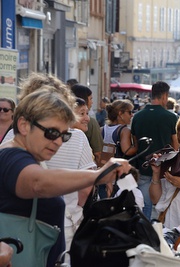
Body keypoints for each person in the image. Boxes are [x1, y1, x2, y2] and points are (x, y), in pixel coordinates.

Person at [0, 89, 131, 267]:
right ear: (24, 125)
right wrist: (97, 176)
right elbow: (37, 182)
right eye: (52, 133)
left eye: (64, 135)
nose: (59, 142)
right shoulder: (12, 156)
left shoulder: (25, 157)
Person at [45, 97, 96, 258]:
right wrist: (77, 209)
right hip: (66, 220)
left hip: (26, 221)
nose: (87, 118)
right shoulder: (78, 137)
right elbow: (87, 185)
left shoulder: (16, 134)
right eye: (82, 113)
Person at [131, 81, 179, 219]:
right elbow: (175, 146)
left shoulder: (137, 117)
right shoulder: (171, 117)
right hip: (164, 170)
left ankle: (145, 235)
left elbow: (135, 145)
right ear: (165, 96)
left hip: (143, 168)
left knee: (145, 207)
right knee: (160, 209)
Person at [71, 84, 104, 166]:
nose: (92, 102)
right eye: (90, 98)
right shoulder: (91, 123)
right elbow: (98, 153)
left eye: (86, 114)